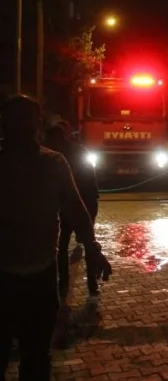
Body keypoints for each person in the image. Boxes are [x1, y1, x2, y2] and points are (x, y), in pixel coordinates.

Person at [0, 95, 112, 381]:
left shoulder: (54, 164)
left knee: (36, 356)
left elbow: (76, 208)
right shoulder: (52, 163)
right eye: (16, 120)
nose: (22, 128)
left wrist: (93, 248)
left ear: (36, 124)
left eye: (27, 121)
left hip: (41, 277)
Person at [44, 124, 100, 297]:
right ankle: (75, 283)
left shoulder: (57, 157)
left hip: (80, 202)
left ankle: (86, 282)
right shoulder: (74, 152)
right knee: (69, 245)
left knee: (77, 243)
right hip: (80, 203)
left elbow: (87, 179)